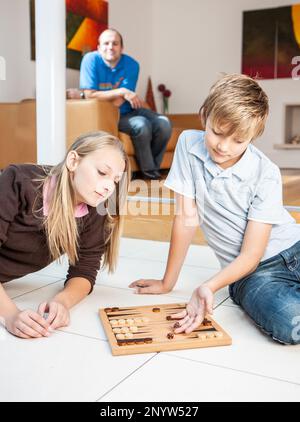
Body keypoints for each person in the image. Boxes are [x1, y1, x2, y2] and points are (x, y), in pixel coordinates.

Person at [129, 73, 300, 345]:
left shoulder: (266, 172)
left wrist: (208, 285)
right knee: (288, 321)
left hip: (294, 245)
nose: (223, 146)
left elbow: (254, 248)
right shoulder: (188, 144)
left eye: (238, 141)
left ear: (253, 137)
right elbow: (187, 218)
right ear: (204, 116)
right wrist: (167, 282)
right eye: (217, 132)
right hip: (251, 272)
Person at [0, 131, 130, 339]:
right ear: (73, 161)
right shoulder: (18, 181)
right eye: (102, 172)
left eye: (115, 180)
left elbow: (85, 270)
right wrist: (10, 314)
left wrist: (63, 301)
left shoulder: (95, 208)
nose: (108, 187)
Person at [79, 28, 172, 180]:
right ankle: (150, 173)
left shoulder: (131, 64)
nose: (110, 47)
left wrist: (116, 94)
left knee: (164, 123)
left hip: (131, 109)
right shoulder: (90, 60)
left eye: (115, 43)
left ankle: (152, 168)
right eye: (106, 43)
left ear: (121, 48)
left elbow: (119, 100)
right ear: (98, 47)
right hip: (110, 114)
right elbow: (89, 95)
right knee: (141, 125)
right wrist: (120, 90)